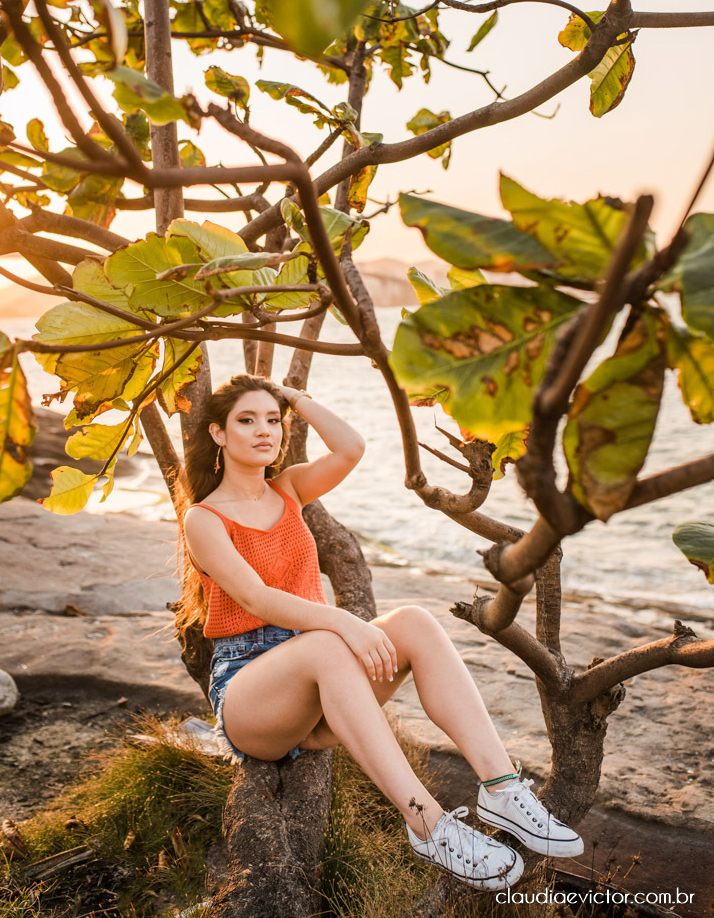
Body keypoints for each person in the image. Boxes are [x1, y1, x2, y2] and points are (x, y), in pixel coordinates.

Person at [178, 374, 583, 891]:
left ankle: (501, 788)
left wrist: (294, 397)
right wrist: (344, 622)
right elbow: (256, 598)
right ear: (218, 433)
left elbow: (351, 447)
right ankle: (428, 824)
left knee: (414, 620)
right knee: (326, 645)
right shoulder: (204, 518)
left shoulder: (288, 488)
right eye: (246, 420)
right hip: (252, 699)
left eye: (273, 420)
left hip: (321, 697)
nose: (264, 430)